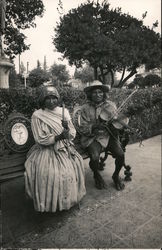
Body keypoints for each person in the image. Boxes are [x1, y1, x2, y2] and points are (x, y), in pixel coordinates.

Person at [24, 84, 86, 212]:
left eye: (54, 98)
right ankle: (49, 203)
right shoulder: (38, 115)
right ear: (43, 99)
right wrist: (57, 137)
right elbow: (39, 139)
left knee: (71, 168)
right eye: (48, 98)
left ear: (58, 99)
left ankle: (66, 200)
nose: (51, 101)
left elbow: (72, 134)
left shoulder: (64, 112)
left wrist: (67, 129)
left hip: (63, 148)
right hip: (46, 150)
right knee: (50, 173)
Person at [79, 80, 127, 190]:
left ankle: (115, 175)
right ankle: (96, 174)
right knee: (95, 157)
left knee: (120, 154)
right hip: (93, 137)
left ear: (104, 93)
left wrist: (118, 125)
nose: (97, 95)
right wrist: (94, 126)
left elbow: (116, 121)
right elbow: (82, 127)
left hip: (108, 136)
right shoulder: (85, 108)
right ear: (90, 94)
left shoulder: (110, 105)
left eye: (100, 92)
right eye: (94, 92)